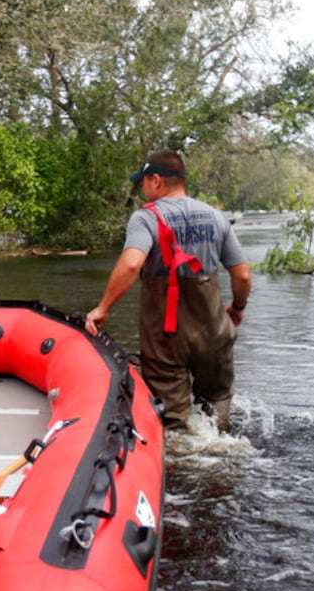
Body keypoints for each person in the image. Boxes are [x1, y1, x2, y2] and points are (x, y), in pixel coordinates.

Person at [85, 149, 251, 432]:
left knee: (172, 422)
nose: (142, 189)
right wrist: (237, 308)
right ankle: (221, 461)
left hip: (166, 339)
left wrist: (103, 308)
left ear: (157, 180)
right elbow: (243, 274)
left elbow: (130, 265)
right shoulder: (216, 216)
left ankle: (178, 469)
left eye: (144, 182)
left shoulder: (145, 218)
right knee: (217, 403)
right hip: (213, 331)